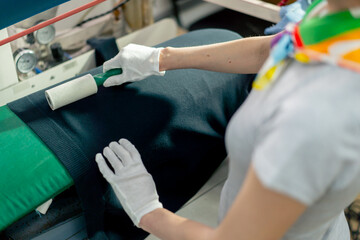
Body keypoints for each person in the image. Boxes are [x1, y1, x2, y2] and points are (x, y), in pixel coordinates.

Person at [95, 0, 360, 239]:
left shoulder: (315, 121)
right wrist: (162, 58)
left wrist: (148, 213)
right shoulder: (340, 16)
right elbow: (269, 50)